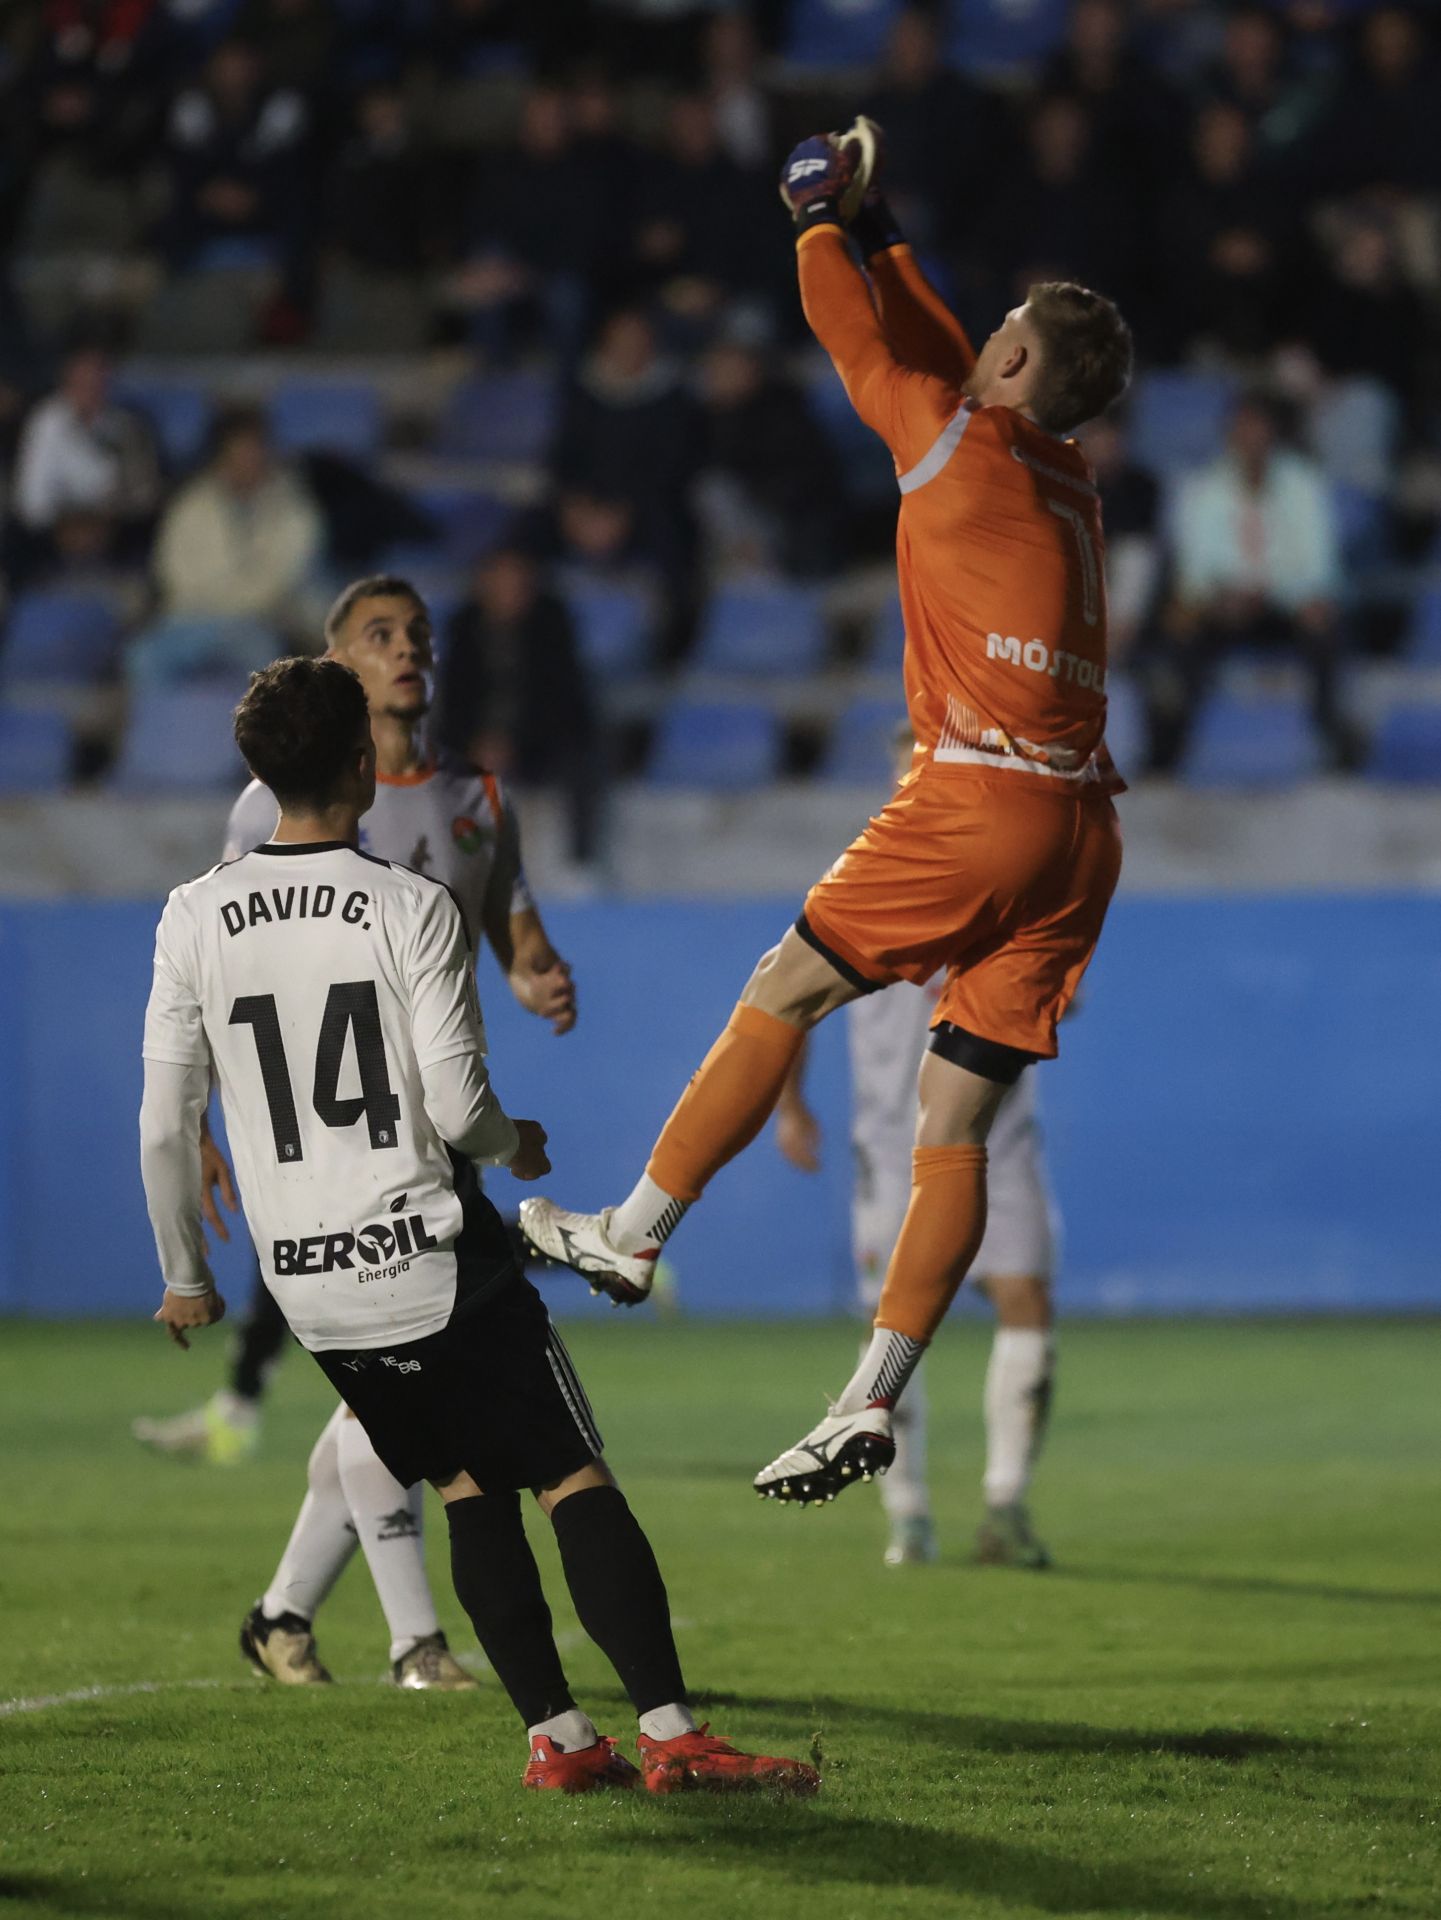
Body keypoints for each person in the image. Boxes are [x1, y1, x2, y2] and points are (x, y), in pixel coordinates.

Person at [521, 128, 1131, 1507]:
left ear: (1018, 368)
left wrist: (813, 218)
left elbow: (861, 340)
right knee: (954, 1125)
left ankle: (632, 1232)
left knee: (781, 989)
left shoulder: (959, 446)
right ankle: (870, 1396)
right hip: (1080, 831)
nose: (978, 346)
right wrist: (887, 216)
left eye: (1001, 339)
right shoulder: (1064, 474)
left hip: (974, 796)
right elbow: (936, 332)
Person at [138, 654, 818, 1795]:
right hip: (430, 1254)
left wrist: (184, 1277)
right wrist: (518, 1148)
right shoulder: (409, 905)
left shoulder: (191, 916)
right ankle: (668, 1733)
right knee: (567, 1471)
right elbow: (456, 1106)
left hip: (311, 1287)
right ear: (361, 764)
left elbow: (166, 1121)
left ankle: (555, 1740)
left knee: (462, 1484)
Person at [133, 574, 576, 1691]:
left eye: (418, 633)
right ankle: (413, 1642)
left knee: (382, 1405)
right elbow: (233, 981)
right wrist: (201, 1129)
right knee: (401, 1403)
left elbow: (510, 915)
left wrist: (533, 969)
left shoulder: (476, 798)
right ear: (337, 662)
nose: (408, 649)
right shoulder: (264, 809)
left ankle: (287, 1613)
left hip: (429, 1135)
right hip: (336, 1162)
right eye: (378, 636)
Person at [776, 727, 1060, 1571]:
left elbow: (1057, 998)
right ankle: (908, 1512)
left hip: (997, 1135)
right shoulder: (865, 881)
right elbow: (792, 995)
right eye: (913, 773)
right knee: (894, 1330)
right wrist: (790, 1106)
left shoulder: (1020, 881)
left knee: (1026, 1301)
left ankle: (1004, 1502)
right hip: (894, 1143)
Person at [1150, 393, 1359, 771]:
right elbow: (1196, 567)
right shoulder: (1205, 488)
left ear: (1273, 434)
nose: (1251, 439)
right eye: (1242, 430)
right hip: (1226, 607)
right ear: (1230, 435)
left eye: (1258, 429)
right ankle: (1167, 751)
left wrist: (1272, 590)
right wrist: (1222, 596)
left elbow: (1317, 566)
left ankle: (1332, 742)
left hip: (1286, 606)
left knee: (1324, 624)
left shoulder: (1302, 484)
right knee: (1180, 627)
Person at [437, 547, 602, 875]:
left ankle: (581, 863)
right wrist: (478, 741)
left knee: (584, 762)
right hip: (475, 742)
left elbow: (562, 700)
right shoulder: (464, 626)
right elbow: (454, 700)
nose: (507, 592)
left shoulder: (552, 625)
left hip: (538, 743)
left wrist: (512, 742)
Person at [12, 347, 161, 575]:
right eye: (83, 381)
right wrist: (67, 527)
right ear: (67, 382)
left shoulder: (125, 425)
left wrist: (105, 521)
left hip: (109, 526)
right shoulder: (45, 422)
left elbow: (144, 494)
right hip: (55, 530)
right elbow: (31, 500)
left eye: (98, 380)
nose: (91, 389)